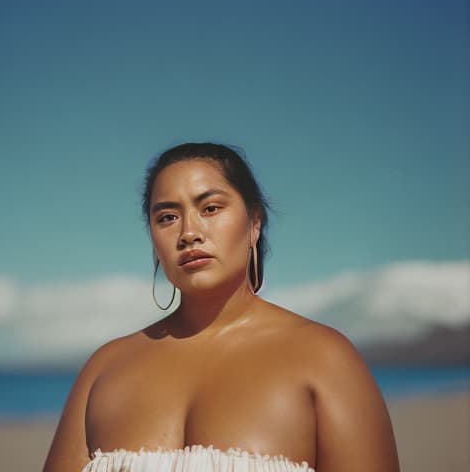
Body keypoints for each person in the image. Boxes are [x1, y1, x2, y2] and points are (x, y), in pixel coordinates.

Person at [43, 142, 400, 472]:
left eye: (210, 208)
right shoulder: (104, 370)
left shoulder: (325, 358)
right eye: (167, 217)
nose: (189, 233)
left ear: (254, 223)